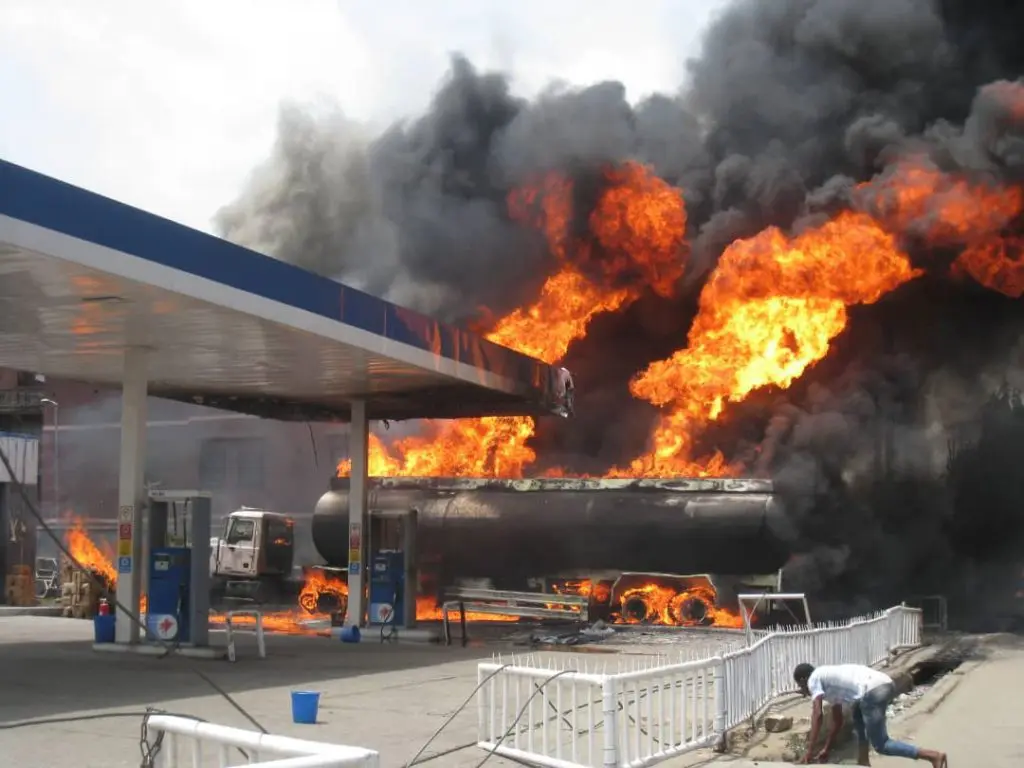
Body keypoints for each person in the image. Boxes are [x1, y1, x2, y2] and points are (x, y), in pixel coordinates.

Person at [793, 662, 947, 766]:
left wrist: (809, 751)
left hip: (872, 690)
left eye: (801, 686)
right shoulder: (827, 682)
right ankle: (863, 762)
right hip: (881, 684)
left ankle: (932, 756)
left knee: (881, 745)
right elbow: (838, 721)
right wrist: (826, 749)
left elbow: (817, 715)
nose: (803, 691)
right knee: (857, 716)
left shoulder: (814, 679)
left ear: (803, 679)